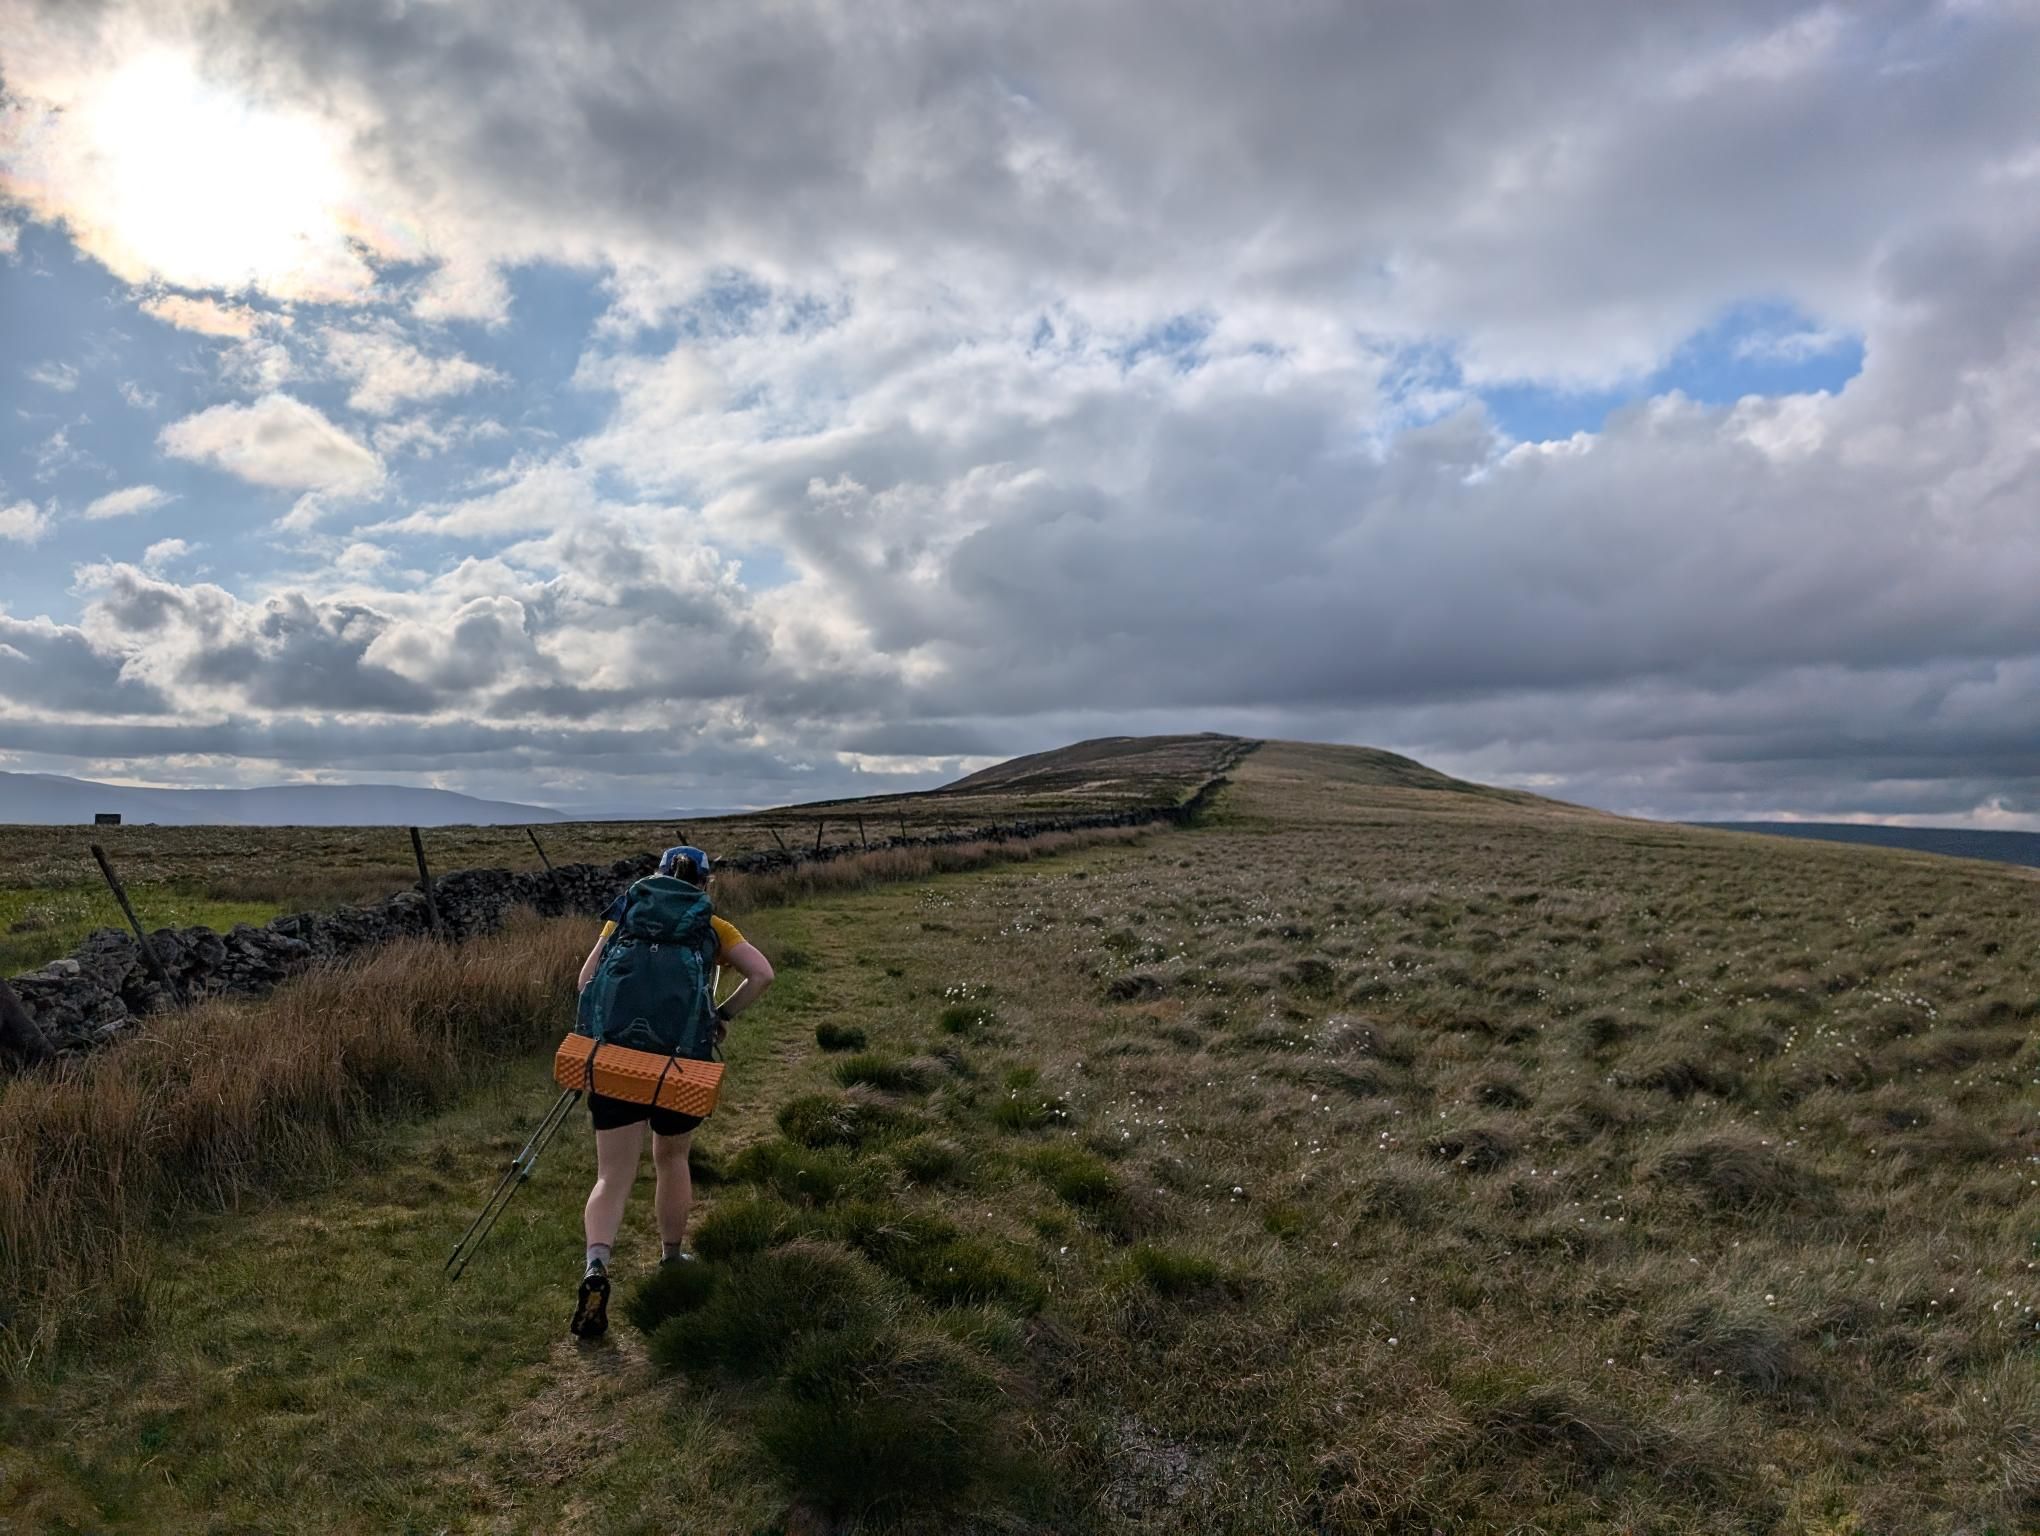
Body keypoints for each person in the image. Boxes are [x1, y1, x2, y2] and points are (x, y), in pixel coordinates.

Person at [569, 845, 773, 1339]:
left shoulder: (626, 915)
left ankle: (596, 1265)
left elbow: (585, 982)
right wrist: (720, 1016)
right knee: (671, 1159)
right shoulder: (713, 927)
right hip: (682, 1064)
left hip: (617, 1059)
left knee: (612, 1175)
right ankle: (672, 1255)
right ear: (706, 884)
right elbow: (763, 974)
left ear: (657, 877)